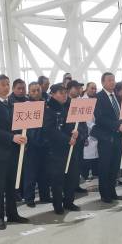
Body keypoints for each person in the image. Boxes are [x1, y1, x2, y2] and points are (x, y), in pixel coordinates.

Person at [0, 74, 30, 230]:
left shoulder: (13, 104)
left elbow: (18, 125)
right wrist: (12, 137)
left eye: (8, 84)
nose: (6, 87)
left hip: (14, 150)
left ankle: (12, 214)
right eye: (3, 84)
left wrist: (22, 136)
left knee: (12, 184)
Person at [43, 83, 81, 214]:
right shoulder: (48, 109)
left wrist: (76, 133)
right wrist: (66, 139)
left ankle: (69, 201)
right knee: (57, 178)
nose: (64, 95)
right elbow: (50, 130)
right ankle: (58, 204)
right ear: (52, 94)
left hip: (70, 147)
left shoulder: (67, 107)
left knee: (72, 176)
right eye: (61, 93)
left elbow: (72, 124)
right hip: (56, 149)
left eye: (65, 92)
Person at [91, 72, 122, 203]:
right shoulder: (98, 97)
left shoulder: (118, 97)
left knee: (115, 166)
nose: (112, 82)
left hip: (118, 136)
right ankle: (105, 194)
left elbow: (121, 114)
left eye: (113, 80)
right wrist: (117, 125)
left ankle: (113, 192)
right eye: (109, 80)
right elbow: (100, 118)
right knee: (105, 166)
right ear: (103, 82)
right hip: (105, 137)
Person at [23, 81, 50, 207]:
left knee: (44, 172)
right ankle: (29, 198)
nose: (36, 93)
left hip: (45, 143)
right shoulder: (25, 106)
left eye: (38, 90)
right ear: (29, 92)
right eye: (33, 91)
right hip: (31, 144)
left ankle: (45, 196)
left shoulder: (46, 104)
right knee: (31, 173)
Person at [66, 81, 88, 194]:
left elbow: (83, 121)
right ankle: (69, 186)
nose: (79, 90)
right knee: (71, 164)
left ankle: (76, 184)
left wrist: (85, 135)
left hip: (80, 138)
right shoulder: (66, 103)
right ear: (69, 89)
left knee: (79, 162)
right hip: (71, 139)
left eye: (79, 88)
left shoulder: (80, 103)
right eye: (76, 88)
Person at [82, 82, 98, 180]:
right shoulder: (83, 101)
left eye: (95, 88)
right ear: (87, 88)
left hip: (96, 131)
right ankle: (85, 175)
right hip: (88, 132)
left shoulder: (96, 99)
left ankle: (94, 172)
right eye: (92, 88)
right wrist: (94, 127)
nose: (94, 90)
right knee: (87, 156)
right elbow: (86, 120)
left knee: (95, 155)